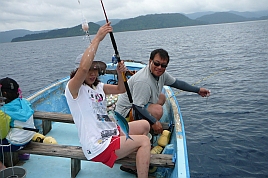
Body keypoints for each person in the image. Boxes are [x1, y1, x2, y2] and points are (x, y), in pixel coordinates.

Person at [65, 22, 151, 178]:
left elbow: (120, 89)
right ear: (78, 72)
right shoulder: (74, 89)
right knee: (144, 141)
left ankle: (131, 164)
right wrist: (98, 37)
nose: (92, 74)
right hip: (98, 145)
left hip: (111, 132)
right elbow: (83, 68)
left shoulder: (98, 86)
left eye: (95, 70)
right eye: (89, 70)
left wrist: (120, 73)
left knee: (145, 125)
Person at [115, 48, 211, 134]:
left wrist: (198, 90)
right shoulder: (143, 81)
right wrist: (154, 121)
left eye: (163, 65)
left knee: (162, 97)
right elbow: (137, 106)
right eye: (156, 63)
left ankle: (148, 121)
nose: (159, 67)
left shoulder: (162, 74)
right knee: (158, 110)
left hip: (137, 104)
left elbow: (177, 83)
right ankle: (144, 129)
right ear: (150, 61)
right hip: (125, 114)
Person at [0, 77, 36, 169]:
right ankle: (23, 154)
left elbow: (2, 134)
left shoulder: (4, 111)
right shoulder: (25, 102)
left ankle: (2, 168)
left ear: (4, 94)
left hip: (15, 143)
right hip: (29, 137)